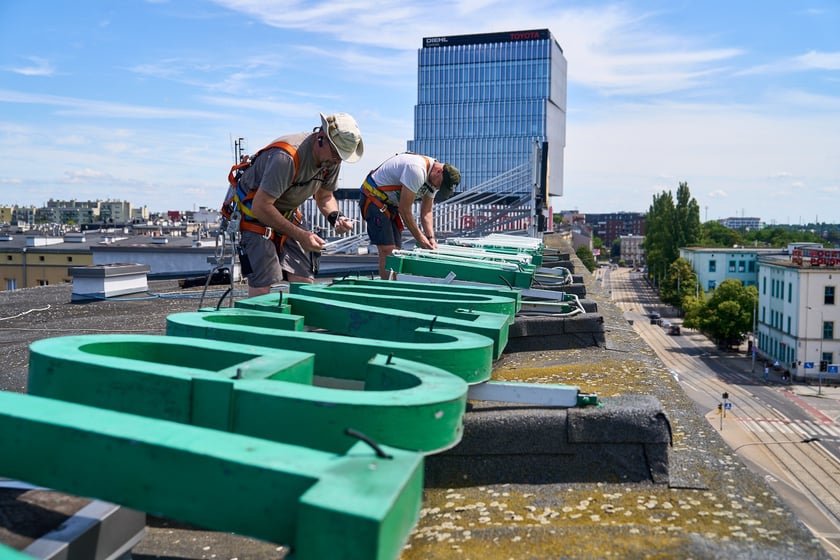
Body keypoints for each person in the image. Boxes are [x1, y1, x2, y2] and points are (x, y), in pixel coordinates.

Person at [229, 113, 364, 296]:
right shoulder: (286, 157)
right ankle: (259, 321)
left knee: (304, 278)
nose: (337, 160)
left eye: (342, 156)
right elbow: (261, 206)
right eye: (336, 153)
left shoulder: (331, 160)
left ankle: (300, 321)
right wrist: (301, 235)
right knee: (263, 283)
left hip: (287, 213)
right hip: (255, 215)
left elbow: (324, 196)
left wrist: (335, 217)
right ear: (321, 138)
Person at [359, 152, 460, 279]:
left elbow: (426, 212)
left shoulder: (434, 179)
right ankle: (387, 290)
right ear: (439, 171)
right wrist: (420, 238)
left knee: (396, 251)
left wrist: (430, 237)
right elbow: (405, 210)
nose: (438, 188)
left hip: (390, 204)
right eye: (440, 185)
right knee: (388, 250)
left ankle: (393, 285)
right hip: (374, 198)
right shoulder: (417, 170)